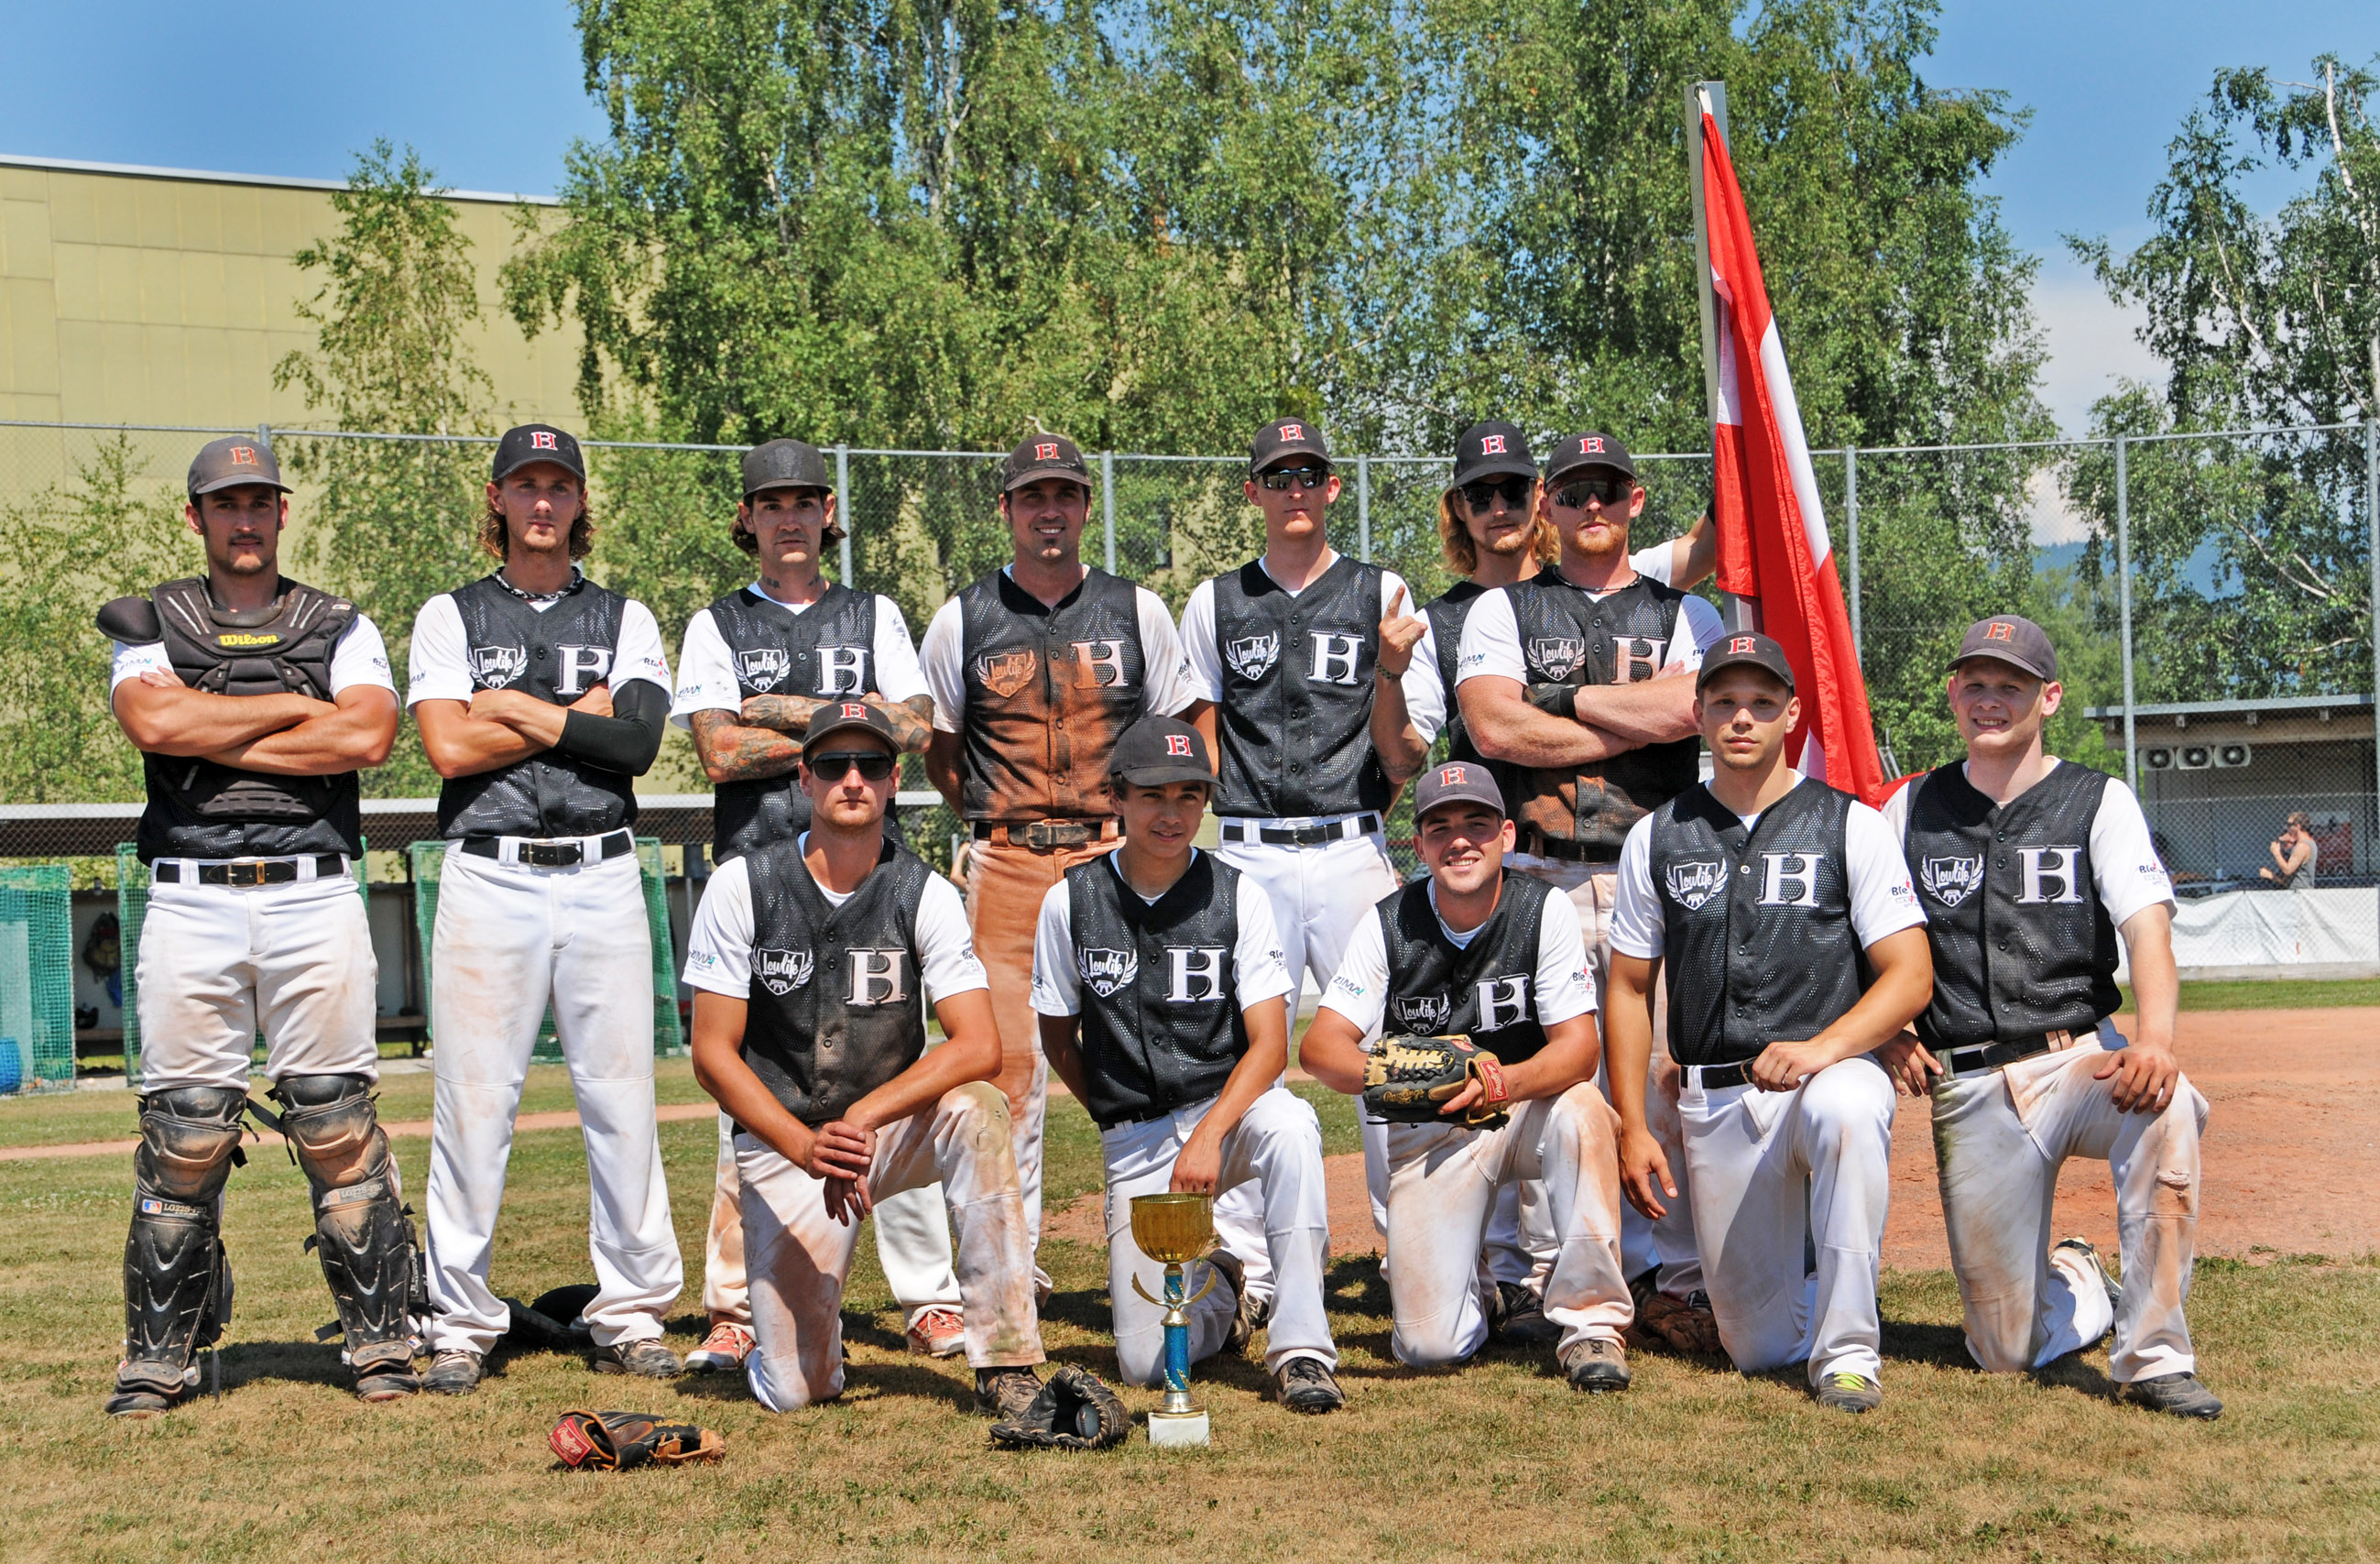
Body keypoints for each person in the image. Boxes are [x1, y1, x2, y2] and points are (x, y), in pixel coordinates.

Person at [97, 436, 411, 1415]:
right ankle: (161, 1352)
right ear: (196, 516)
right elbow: (156, 727)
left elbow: (368, 734)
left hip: (312, 888)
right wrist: (292, 708)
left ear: (282, 511)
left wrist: (213, 723)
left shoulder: (339, 622)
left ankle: (380, 1341)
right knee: (185, 1128)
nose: (246, 518)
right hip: (191, 892)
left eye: (260, 501)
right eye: (226, 503)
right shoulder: (151, 619)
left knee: (335, 1118)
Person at [1400, 422, 1716, 1343]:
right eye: (1573, 492)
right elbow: (1495, 730)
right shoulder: (1502, 611)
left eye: (1606, 488)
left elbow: (1693, 710)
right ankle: (1535, 1274)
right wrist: (1636, 719)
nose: (1591, 505)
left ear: (1634, 499)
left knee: (1662, 1077)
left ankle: (1673, 1277)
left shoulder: (1686, 613)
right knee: (1541, 1078)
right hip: (1538, 874)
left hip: (1653, 873)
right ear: (1552, 505)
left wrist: (1565, 701)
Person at [1880, 615, 2219, 1419]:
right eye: (1976, 683)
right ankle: (2082, 1277)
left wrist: (2156, 1039)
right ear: (1953, 694)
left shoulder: (2098, 799)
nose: (1990, 699)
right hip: (1971, 1083)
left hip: (2078, 1060)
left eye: (2012, 685)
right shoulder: (1908, 807)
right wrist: (1891, 1031)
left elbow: (2147, 928)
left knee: (2166, 1100)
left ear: (2050, 697)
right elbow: (1870, 937)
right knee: (2004, 1350)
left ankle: (2154, 1356)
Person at [670, 438, 960, 1373]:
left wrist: (778, 709)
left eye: (804, 501)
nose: (789, 517)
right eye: (771, 503)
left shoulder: (872, 612)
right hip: (759, 874)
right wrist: (842, 714)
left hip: (871, 874)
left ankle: (930, 1298)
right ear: (746, 518)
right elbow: (719, 752)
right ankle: (733, 1307)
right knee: (751, 1082)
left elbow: (912, 730)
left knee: (898, 1066)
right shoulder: (717, 623)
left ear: (827, 513)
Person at [409, 424, 682, 1394]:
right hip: (490, 870)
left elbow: (637, 744)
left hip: (602, 868)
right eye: (524, 484)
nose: (541, 501)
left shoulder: (625, 615)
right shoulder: (449, 614)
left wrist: (511, 708)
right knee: (474, 1101)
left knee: (622, 1097)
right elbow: (447, 748)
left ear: (578, 501)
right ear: (497, 498)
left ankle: (633, 1312)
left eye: (557, 485)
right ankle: (459, 1321)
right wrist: (575, 718)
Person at [682, 703, 1046, 1416]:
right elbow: (712, 1056)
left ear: (893, 781)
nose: (853, 779)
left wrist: (863, 1116)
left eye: (872, 764)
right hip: (788, 1145)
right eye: (833, 764)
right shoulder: (742, 884)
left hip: (885, 1132)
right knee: (798, 1389)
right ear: (805, 779)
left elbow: (980, 1044)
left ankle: (1006, 1359)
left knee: (980, 1108)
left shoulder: (925, 891)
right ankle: (782, 1339)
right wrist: (806, 1144)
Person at [1603, 633, 1934, 1413]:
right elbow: (1627, 987)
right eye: (1724, 701)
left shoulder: (1850, 824)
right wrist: (1633, 1125)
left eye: (1761, 701)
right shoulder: (1658, 834)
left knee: (1847, 1109)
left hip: (1827, 1074)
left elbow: (1910, 972)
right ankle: (1820, 1275)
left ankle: (1849, 1353)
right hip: (1717, 1095)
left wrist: (1824, 1049)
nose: (1742, 717)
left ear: (1792, 713)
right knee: (1758, 1346)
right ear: (1698, 714)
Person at [920, 433, 1192, 1297]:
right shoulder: (962, 618)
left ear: (1084, 506)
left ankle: (1164, 1253)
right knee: (1005, 1070)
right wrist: (1001, 828)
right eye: (1033, 495)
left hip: (1117, 860)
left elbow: (1180, 732)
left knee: (1150, 1053)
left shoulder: (1138, 609)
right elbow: (942, 751)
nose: (1050, 510)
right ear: (1006, 508)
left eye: (1065, 494)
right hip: (1007, 863)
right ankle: (1011, 1270)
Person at [1177, 418, 1441, 1292]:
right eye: (1277, 475)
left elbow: (1404, 755)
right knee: (1240, 1050)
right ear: (1252, 491)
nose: (1294, 488)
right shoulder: (1215, 601)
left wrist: (1389, 672)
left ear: (1332, 487)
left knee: (1388, 1045)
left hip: (1348, 845)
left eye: (1309, 474)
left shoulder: (1382, 592)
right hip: (1247, 851)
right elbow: (1204, 741)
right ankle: (1253, 1270)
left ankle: (1410, 1248)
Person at [1032, 716, 1342, 1411]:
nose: (1171, 814)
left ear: (1206, 801)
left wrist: (1208, 1132)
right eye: (1152, 795)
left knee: (1292, 1125)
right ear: (1117, 796)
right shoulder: (1070, 901)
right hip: (1138, 1132)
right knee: (1144, 1363)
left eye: (1188, 795)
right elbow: (1058, 1036)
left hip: (1227, 1111)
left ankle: (1302, 1349)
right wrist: (1116, 1118)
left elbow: (1270, 1045)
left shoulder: (1238, 893)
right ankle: (1225, 1286)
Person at [1301, 761, 1633, 1391]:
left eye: (1476, 824)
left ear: (1506, 835)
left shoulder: (1543, 909)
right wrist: (1418, 1072)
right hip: (1436, 1127)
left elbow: (1579, 1050)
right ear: (1420, 843)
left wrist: (1498, 1081)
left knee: (1586, 1111)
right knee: (1430, 1346)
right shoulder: (1388, 921)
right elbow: (1320, 1049)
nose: (1459, 840)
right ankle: (1479, 1288)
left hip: (1526, 1110)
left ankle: (1592, 1327)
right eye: (1441, 827)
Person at [2259, 811, 2316, 887]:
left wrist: (2276, 853)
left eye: (2289, 825)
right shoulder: (2308, 842)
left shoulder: (2302, 846)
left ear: (2298, 826)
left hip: (2299, 890)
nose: (2287, 827)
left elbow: (2288, 870)